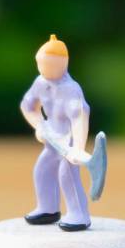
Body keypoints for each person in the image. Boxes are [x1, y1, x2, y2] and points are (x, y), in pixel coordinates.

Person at [20, 34, 93, 232]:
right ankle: (48, 208)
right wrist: (39, 125)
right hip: (52, 139)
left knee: (66, 173)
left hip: (68, 143)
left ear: (62, 64)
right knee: (42, 169)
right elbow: (28, 106)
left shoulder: (71, 90)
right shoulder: (40, 83)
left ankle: (79, 214)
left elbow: (79, 119)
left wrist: (77, 149)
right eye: (40, 64)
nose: (43, 69)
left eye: (47, 65)